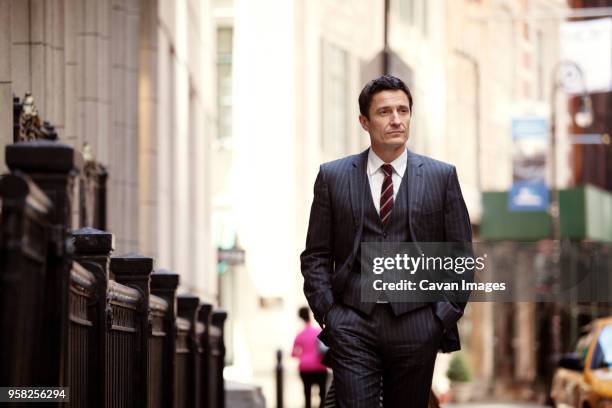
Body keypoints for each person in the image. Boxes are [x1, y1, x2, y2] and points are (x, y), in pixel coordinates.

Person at [300, 75, 472, 408]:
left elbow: (460, 256)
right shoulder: (333, 177)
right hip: (352, 322)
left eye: (403, 110)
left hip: (418, 321)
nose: (396, 119)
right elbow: (316, 254)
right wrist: (329, 314)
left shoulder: (441, 177)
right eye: (384, 112)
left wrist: (439, 317)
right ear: (364, 121)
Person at [292, 306, 328, 408]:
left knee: (307, 394)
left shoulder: (299, 335)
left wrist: (302, 354)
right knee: (322, 394)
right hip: (320, 367)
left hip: (305, 368)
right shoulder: (318, 332)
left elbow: (293, 354)